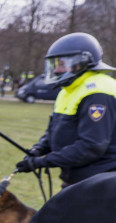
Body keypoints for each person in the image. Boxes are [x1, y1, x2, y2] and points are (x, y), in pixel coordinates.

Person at [15, 32, 116, 187]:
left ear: (81, 62)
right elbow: (56, 130)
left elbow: (91, 146)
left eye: (62, 64)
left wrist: (43, 161)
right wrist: (39, 149)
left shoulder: (98, 91)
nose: (56, 70)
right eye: (55, 64)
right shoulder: (68, 90)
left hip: (100, 180)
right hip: (79, 177)